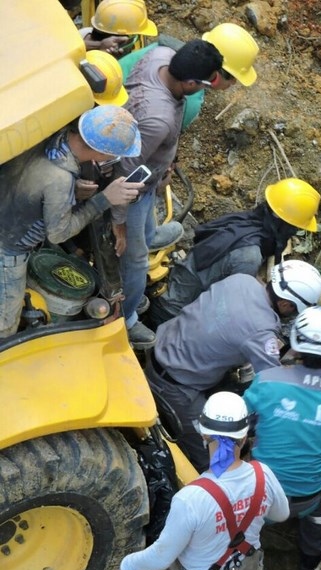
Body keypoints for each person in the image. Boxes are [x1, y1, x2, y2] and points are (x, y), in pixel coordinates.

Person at [95, 392, 290, 570]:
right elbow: (281, 514)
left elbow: (160, 558)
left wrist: (126, 565)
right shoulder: (262, 474)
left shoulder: (192, 498)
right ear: (243, 438)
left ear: (204, 436)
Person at [146, 260, 321, 471]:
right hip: (176, 384)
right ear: (286, 304)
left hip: (162, 343)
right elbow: (274, 384)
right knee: (216, 454)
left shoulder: (242, 280)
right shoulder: (261, 332)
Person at [113, 38, 225, 347]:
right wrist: (119, 223)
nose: (208, 87)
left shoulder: (162, 56)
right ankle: (127, 317)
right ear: (190, 82)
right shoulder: (157, 118)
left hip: (150, 176)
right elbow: (127, 172)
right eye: (207, 82)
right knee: (134, 260)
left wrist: (164, 166)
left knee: (148, 215)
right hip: (133, 187)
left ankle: (148, 235)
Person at [0, 105, 143, 337]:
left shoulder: (46, 134)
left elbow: (35, 184)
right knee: (5, 324)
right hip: (7, 250)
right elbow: (58, 234)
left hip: (6, 211)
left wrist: (70, 194)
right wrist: (104, 199)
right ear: (103, 154)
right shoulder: (59, 180)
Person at [244, 306, 321, 570]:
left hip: (262, 498)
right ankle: (310, 564)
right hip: (309, 497)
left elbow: (242, 423)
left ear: (294, 344)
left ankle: (247, 550)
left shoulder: (266, 382)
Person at [147, 178, 321, 326]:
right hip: (173, 317)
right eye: (294, 228)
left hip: (175, 287)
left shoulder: (244, 223)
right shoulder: (249, 257)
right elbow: (227, 309)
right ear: (285, 225)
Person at [119, 22, 260, 131]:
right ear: (216, 71)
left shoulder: (163, 49)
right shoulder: (190, 103)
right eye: (232, 77)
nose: (234, 83)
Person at [81, 0, 157, 56]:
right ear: (119, 41)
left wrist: (100, 45)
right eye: (134, 37)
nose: (134, 46)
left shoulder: (82, 35)